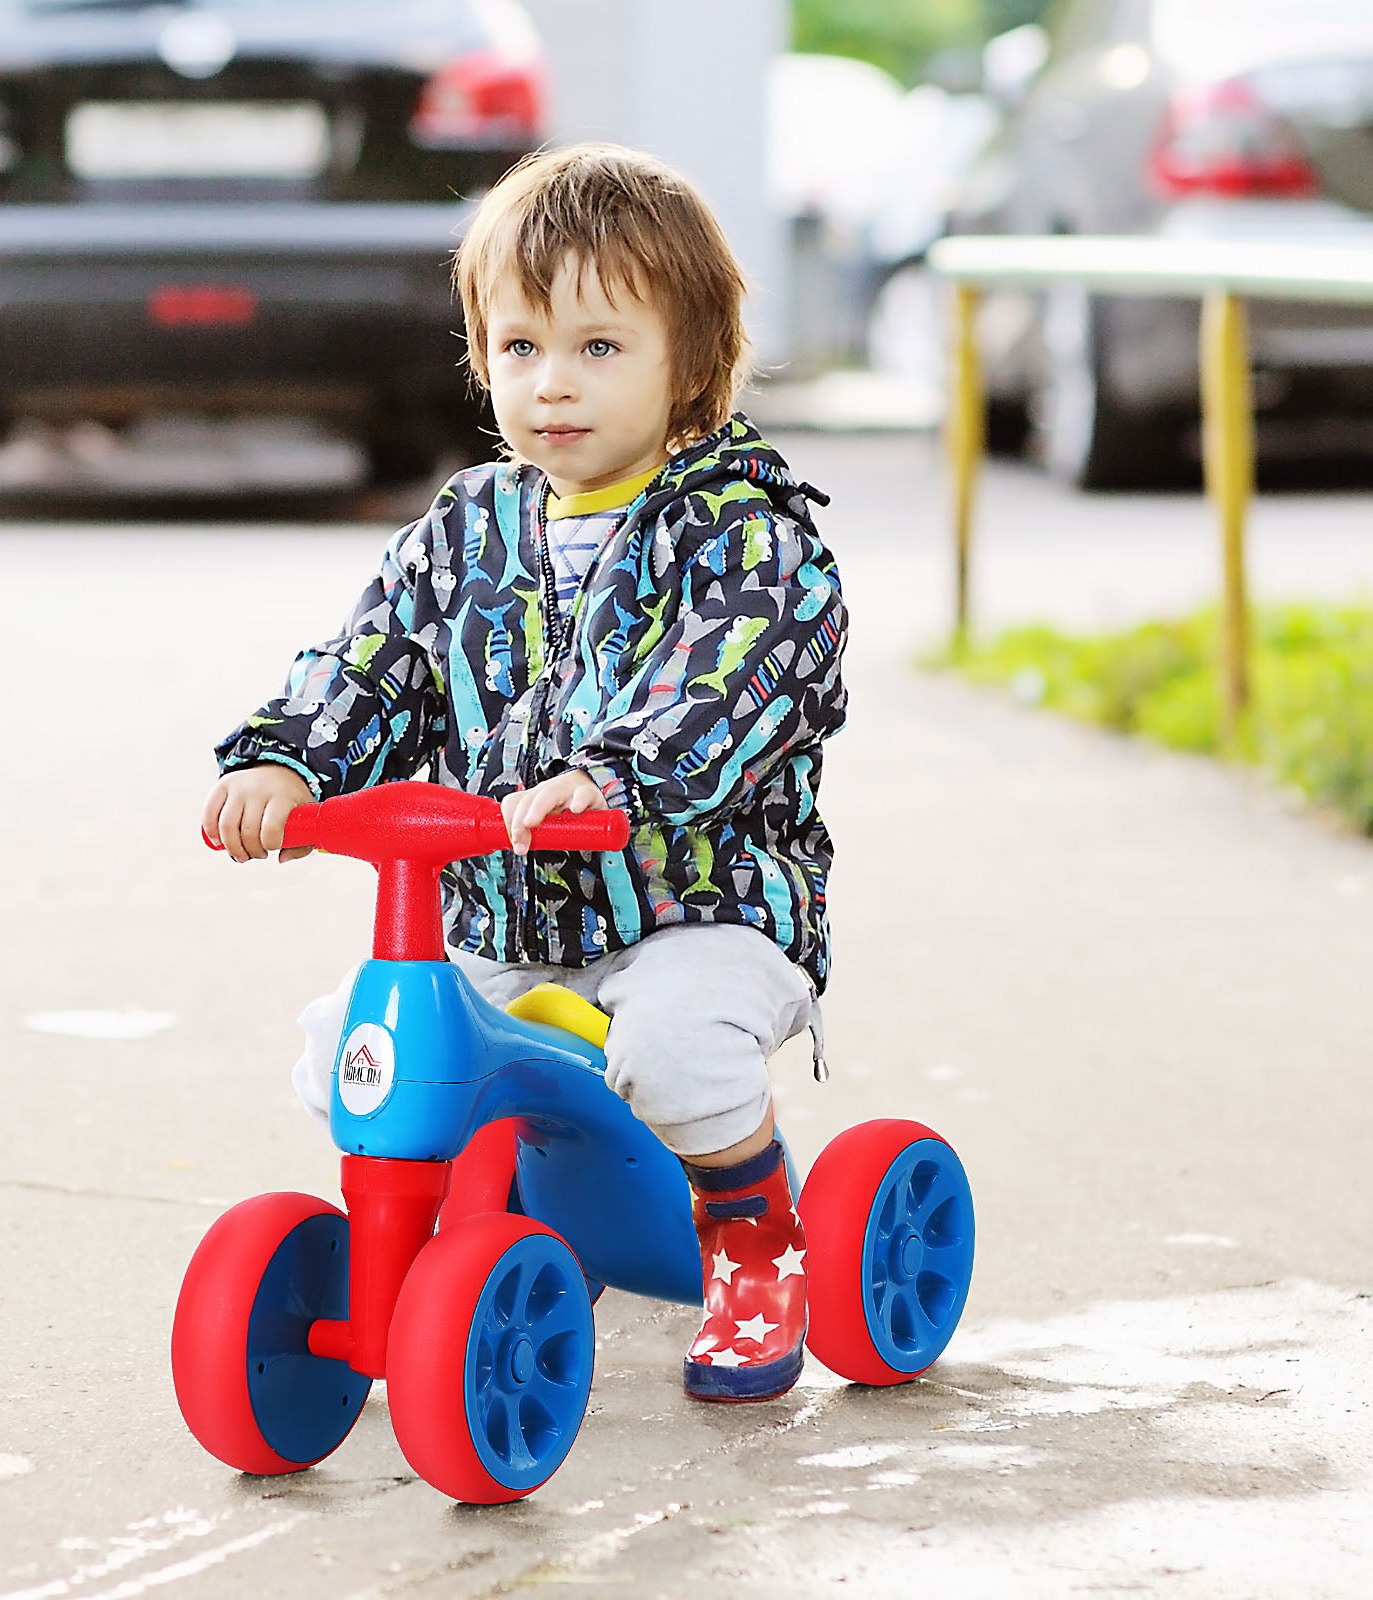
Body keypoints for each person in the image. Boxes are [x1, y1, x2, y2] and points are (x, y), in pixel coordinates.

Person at [201, 143, 849, 1402]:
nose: (552, 384)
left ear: (691, 368)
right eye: (519, 348)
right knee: (364, 1045)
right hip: (506, 904)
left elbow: (737, 680)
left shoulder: (751, 537)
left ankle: (754, 1241)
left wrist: (617, 778)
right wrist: (287, 759)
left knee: (669, 1043)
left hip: (700, 904)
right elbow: (371, 660)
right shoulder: (465, 529)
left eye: (599, 348)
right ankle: (479, 1243)